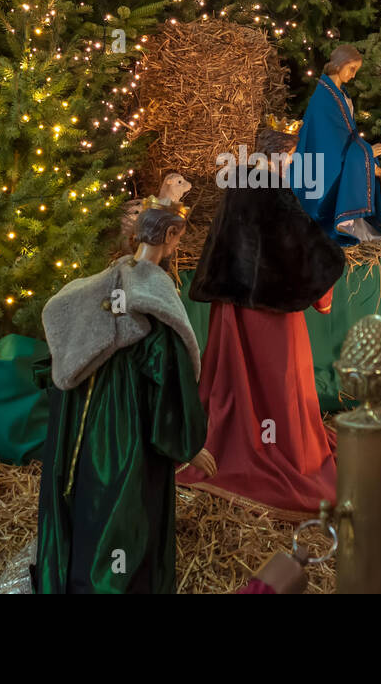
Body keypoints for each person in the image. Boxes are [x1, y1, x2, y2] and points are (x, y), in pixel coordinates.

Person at [34, 201, 213, 593]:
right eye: (178, 239)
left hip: (80, 437)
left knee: (84, 509)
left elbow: (60, 349)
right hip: (125, 437)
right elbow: (168, 387)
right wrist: (189, 443)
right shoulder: (155, 307)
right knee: (123, 516)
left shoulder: (98, 285)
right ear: (169, 236)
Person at [177, 124, 345, 517]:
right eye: (290, 157)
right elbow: (304, 251)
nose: (292, 163)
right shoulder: (274, 193)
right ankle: (280, 448)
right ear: (280, 156)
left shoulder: (238, 182)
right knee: (278, 382)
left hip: (232, 311)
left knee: (235, 381)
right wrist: (325, 286)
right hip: (269, 315)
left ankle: (232, 442)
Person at [290, 44, 381, 245]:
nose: (354, 76)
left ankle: (353, 221)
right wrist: (367, 154)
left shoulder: (340, 93)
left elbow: (347, 137)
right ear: (339, 64)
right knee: (359, 158)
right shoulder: (324, 98)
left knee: (361, 158)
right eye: (352, 69)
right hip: (321, 166)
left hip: (337, 156)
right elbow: (329, 144)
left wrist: (369, 159)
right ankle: (344, 222)